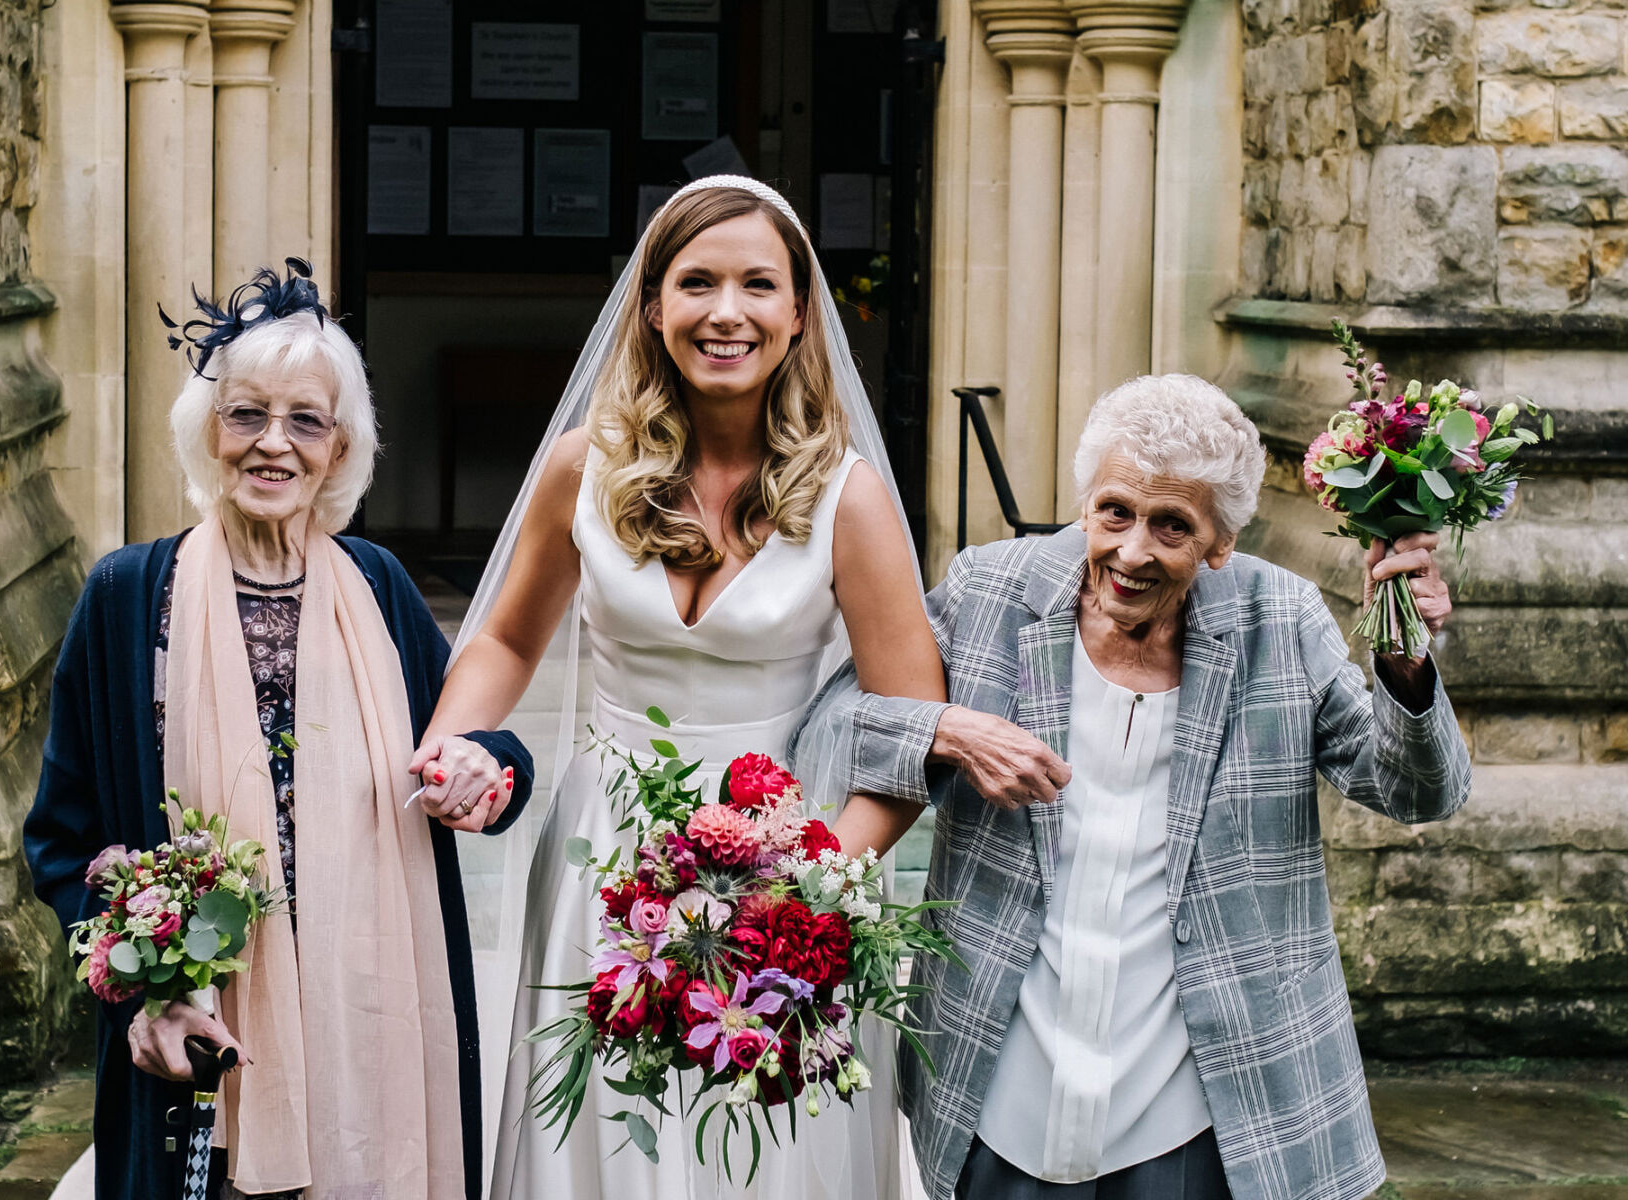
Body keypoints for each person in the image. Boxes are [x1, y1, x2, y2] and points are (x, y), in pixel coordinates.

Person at [804, 374, 1473, 1200]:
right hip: (1001, 1079)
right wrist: (950, 730)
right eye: (1115, 512)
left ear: (1220, 542)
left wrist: (1405, 664)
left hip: (1194, 1100)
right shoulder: (989, 592)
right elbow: (833, 725)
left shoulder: (1281, 618)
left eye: (1172, 527)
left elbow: (1416, 794)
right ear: (1086, 501)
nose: (1131, 551)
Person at [412, 176, 946, 1200]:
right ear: (652, 307)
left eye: (758, 284)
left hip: (792, 863)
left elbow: (905, 738)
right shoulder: (585, 470)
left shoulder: (850, 497)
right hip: (606, 855)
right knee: (606, 1136)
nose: (726, 312)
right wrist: (452, 743)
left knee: (767, 1156)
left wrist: (815, 886)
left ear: (798, 314)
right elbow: (506, 641)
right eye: (697, 282)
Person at [22, 260, 535, 1200]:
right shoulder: (129, 596)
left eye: (306, 420)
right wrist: (143, 985)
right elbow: (62, 836)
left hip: (369, 1018)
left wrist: (485, 772)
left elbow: (488, 753)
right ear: (207, 432)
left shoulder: (380, 588)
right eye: (246, 414)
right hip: (202, 1034)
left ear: (340, 451)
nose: (274, 445)